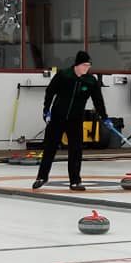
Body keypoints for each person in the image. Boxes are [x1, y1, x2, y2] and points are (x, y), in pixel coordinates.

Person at [33, 50, 110, 191]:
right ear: (78, 65)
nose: (87, 68)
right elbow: (50, 92)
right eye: (85, 65)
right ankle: (42, 177)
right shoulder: (63, 75)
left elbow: (98, 100)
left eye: (89, 65)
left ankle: (75, 181)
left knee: (76, 150)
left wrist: (104, 117)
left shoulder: (90, 80)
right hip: (57, 117)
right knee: (50, 147)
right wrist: (46, 109)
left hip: (75, 120)